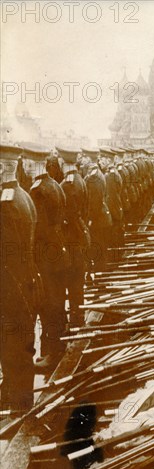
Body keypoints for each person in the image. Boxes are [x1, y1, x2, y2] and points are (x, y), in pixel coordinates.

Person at [0, 144, 38, 413]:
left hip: (11, 287)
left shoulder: (6, 204)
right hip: (25, 281)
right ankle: (14, 398)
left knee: (13, 347)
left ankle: (20, 409)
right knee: (17, 343)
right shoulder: (22, 195)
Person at [24, 144, 68, 369]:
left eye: (27, 162)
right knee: (57, 303)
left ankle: (52, 354)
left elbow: (38, 231)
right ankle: (56, 349)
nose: (25, 165)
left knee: (48, 305)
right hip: (57, 254)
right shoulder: (54, 185)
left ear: (33, 163)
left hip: (45, 258)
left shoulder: (38, 191)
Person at [57, 147, 90, 327]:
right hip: (80, 236)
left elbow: (65, 218)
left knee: (71, 281)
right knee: (78, 283)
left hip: (71, 240)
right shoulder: (80, 180)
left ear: (62, 163)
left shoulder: (66, 186)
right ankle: (79, 318)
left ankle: (76, 321)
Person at [82, 147, 112, 272]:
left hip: (98, 219)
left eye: (84, 157)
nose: (82, 159)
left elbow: (95, 203)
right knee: (100, 246)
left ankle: (101, 275)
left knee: (98, 246)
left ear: (89, 159)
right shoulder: (95, 174)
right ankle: (101, 271)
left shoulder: (94, 178)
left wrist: (89, 220)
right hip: (100, 217)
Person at [99, 147, 124, 264]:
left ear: (108, 160)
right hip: (116, 209)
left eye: (102, 160)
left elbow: (110, 197)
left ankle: (114, 261)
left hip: (112, 211)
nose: (100, 162)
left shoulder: (109, 176)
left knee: (113, 237)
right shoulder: (112, 174)